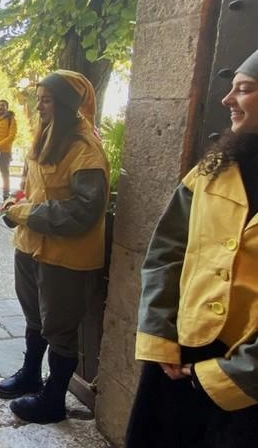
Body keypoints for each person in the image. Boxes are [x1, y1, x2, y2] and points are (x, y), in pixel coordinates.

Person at [125, 49, 258, 448]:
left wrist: (236, 372)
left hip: (246, 378)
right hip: (179, 356)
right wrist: (159, 337)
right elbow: (166, 253)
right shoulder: (212, 169)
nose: (227, 100)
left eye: (244, 89)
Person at [0, 70, 109, 424]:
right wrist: (15, 207)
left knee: (59, 327)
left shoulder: (84, 148)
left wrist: (27, 213)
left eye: (47, 100)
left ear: (64, 104)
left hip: (65, 256)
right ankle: (31, 373)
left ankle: (53, 399)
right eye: (39, 99)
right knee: (35, 317)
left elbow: (84, 211)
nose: (40, 106)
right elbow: (34, 190)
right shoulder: (44, 138)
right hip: (31, 246)